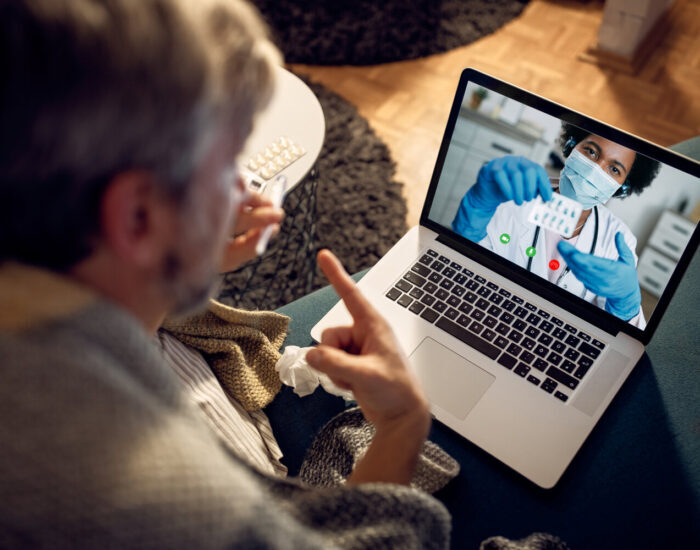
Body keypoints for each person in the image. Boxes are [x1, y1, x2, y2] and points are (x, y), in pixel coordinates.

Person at [0, 0, 450, 547]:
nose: (245, 190)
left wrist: (182, 255)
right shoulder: (168, 498)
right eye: (228, 166)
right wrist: (403, 423)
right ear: (137, 216)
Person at [452, 123, 660, 328]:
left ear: (621, 188)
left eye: (614, 169)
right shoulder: (512, 197)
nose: (594, 171)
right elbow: (461, 268)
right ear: (571, 146)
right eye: (591, 151)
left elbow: (620, 336)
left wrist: (626, 307)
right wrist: (475, 211)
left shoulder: (618, 239)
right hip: (486, 315)